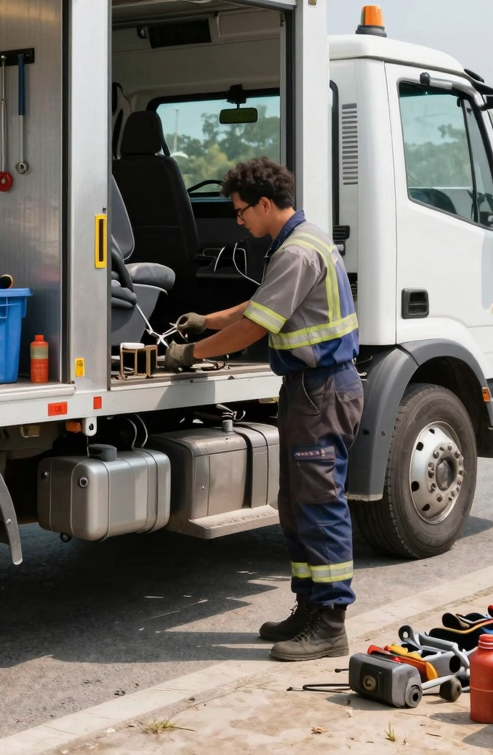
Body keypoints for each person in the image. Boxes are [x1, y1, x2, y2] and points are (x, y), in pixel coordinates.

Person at [164, 157, 363, 661]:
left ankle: (331, 622)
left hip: (321, 391)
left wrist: (192, 353)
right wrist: (203, 320)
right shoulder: (301, 242)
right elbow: (258, 308)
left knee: (319, 507)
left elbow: (257, 327)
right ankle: (309, 608)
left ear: (266, 204)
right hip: (309, 390)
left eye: (240, 212)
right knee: (297, 506)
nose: (239, 221)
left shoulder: (296, 253)